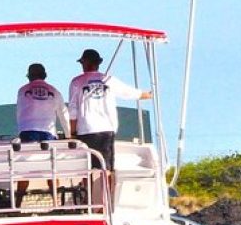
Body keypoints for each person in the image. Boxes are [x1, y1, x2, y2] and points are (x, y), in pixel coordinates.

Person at [68, 49, 152, 191]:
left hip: (85, 129)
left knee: (86, 167)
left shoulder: (76, 82)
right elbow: (129, 92)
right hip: (106, 128)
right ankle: (104, 201)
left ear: (84, 63)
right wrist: (147, 95)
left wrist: (72, 132)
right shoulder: (109, 80)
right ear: (98, 63)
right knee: (106, 167)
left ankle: (88, 200)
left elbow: (73, 110)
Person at [16, 63, 71, 199]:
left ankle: (17, 203)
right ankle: (55, 202)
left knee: (24, 168)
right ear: (45, 75)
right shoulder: (55, 91)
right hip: (48, 132)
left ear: (29, 76)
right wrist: (69, 135)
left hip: (27, 131)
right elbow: (64, 115)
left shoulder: (22, 90)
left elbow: (19, 113)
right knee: (51, 168)